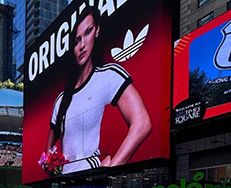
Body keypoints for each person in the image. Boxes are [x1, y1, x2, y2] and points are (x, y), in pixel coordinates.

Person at [45, 5, 151, 174]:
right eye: (76, 40)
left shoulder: (108, 75)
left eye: (88, 32)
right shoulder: (61, 99)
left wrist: (113, 166)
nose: (82, 45)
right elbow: (47, 152)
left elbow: (142, 123)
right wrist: (52, 169)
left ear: (97, 31)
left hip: (92, 177)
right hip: (63, 181)